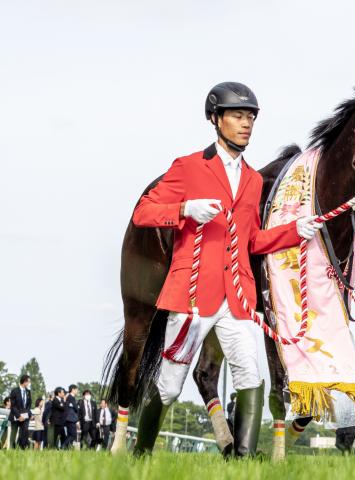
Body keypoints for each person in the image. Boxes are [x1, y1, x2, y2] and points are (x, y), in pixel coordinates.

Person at [131, 82, 321, 458]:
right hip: (192, 295)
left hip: (236, 299)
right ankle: (140, 455)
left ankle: (244, 460)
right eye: (237, 116)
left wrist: (293, 232)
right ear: (215, 119)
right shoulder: (187, 167)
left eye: (250, 117)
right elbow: (143, 214)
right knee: (169, 387)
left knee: (251, 374)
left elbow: (252, 241)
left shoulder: (252, 180)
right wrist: (184, 210)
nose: (246, 124)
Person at [9, 374, 32, 449]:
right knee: (13, 433)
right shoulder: (15, 391)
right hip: (16, 416)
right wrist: (19, 416)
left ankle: (22, 448)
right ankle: (12, 449)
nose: (29, 383)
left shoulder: (28, 392)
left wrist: (27, 414)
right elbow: (13, 405)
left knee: (24, 433)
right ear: (24, 381)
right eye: (28, 381)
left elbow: (29, 405)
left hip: (25, 416)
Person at [62, 384, 79, 449]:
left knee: (70, 435)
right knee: (73, 435)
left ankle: (67, 448)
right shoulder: (70, 397)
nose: (77, 391)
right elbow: (75, 408)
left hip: (69, 419)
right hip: (70, 419)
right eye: (76, 389)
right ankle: (63, 446)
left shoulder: (69, 397)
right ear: (73, 390)